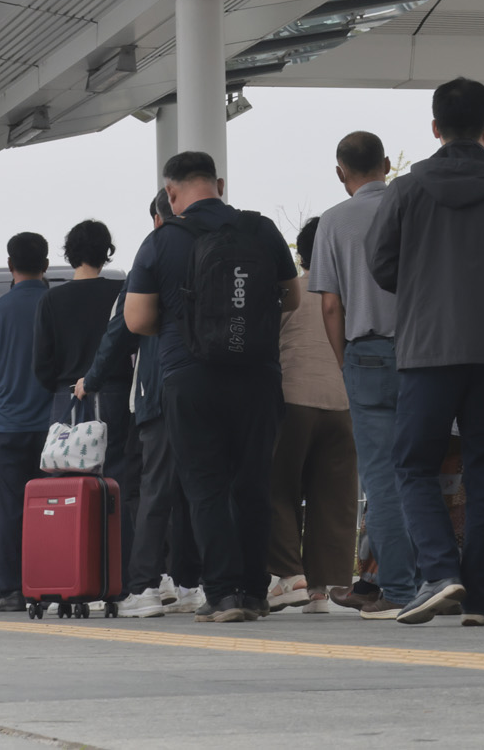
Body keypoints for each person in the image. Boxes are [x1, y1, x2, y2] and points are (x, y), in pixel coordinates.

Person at [368, 77, 484, 628]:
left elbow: (381, 264)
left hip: (427, 347)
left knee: (414, 463)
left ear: (435, 129)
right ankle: (478, 598)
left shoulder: (407, 189)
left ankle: (440, 571)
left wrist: (424, 287)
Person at [122, 151, 300, 624]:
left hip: (190, 377)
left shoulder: (162, 241)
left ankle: (223, 595)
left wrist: (186, 323)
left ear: (172, 193)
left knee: (206, 487)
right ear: (218, 183)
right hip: (258, 374)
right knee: (253, 483)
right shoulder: (260, 230)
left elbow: (136, 319)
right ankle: (255, 591)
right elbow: (293, 295)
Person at [310, 131, 415, 620]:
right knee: (422, 472)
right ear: (387, 163)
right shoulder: (413, 205)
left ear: (339, 173)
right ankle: (430, 575)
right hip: (423, 353)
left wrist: (343, 360)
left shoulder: (333, 221)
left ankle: (395, 586)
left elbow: (331, 305)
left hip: (365, 352)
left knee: (382, 478)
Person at [83, 192, 203, 618]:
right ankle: (192, 585)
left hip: (158, 395)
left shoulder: (149, 262)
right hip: (210, 392)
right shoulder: (209, 252)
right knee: (197, 493)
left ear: (158, 219)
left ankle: (145, 588)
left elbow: (120, 334)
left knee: (154, 491)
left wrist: (89, 382)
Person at [267, 218, 358, 615]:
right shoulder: (350, 295)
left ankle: (291, 575)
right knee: (332, 497)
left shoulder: (289, 293)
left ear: (301, 254)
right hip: (344, 405)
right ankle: (322, 588)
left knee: (277, 487)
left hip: (293, 401)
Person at [0, 232, 55, 613]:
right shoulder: (55, 304)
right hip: (53, 427)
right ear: (46, 263)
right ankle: (52, 582)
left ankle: (9, 590)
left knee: (10, 509)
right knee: (54, 505)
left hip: (7, 425)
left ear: (10, 266)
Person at [36, 220, 123, 428]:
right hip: (115, 393)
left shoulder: (50, 299)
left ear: (70, 253)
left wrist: (61, 386)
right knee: (118, 459)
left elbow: (41, 365)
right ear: (105, 252)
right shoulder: (121, 292)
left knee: (68, 459)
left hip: (68, 395)